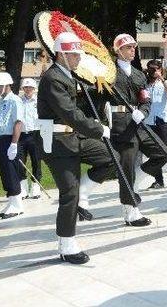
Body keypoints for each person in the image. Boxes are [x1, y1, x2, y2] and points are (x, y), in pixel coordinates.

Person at [37, 32, 116, 264]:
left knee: (110, 158)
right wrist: (98, 129)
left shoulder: (68, 76)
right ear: (61, 54)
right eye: (74, 54)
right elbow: (69, 113)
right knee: (68, 193)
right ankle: (66, 245)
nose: (78, 59)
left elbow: (78, 108)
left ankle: (84, 194)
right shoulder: (53, 79)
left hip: (73, 138)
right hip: (57, 142)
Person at [77, 33, 167, 227]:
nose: (132, 50)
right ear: (118, 51)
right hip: (120, 125)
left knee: (162, 154)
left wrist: (143, 111)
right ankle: (130, 212)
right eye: (127, 47)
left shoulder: (138, 74)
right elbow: (95, 97)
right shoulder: (108, 73)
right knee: (126, 168)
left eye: (133, 47)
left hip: (138, 123)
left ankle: (133, 186)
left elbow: (145, 99)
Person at [0, 71, 25, 219]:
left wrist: (14, 144)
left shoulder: (15, 100)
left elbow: (18, 123)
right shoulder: (2, 101)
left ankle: (17, 205)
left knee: (11, 172)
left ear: (6, 85)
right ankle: (11, 201)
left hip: (9, 140)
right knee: (4, 172)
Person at [144, 59, 167, 189]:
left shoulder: (165, 83)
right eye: (151, 69)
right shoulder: (146, 85)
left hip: (162, 121)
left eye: (156, 69)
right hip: (149, 121)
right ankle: (158, 180)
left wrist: (162, 79)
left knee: (166, 150)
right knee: (154, 152)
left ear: (160, 69)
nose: (153, 71)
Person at [18, 77, 42, 199]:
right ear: (23, 89)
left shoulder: (38, 101)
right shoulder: (18, 101)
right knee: (20, 162)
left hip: (35, 135)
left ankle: (36, 187)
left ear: (34, 89)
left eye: (30, 87)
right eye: (26, 87)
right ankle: (23, 189)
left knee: (36, 162)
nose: (28, 89)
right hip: (21, 136)